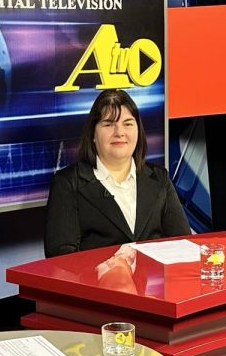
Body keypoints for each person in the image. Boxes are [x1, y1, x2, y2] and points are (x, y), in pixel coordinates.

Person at [44, 89, 191, 257]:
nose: (119, 132)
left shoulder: (159, 178)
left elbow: (183, 245)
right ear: (93, 134)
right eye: (108, 124)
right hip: (96, 274)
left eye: (128, 124)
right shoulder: (67, 183)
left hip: (153, 274)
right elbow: (61, 257)